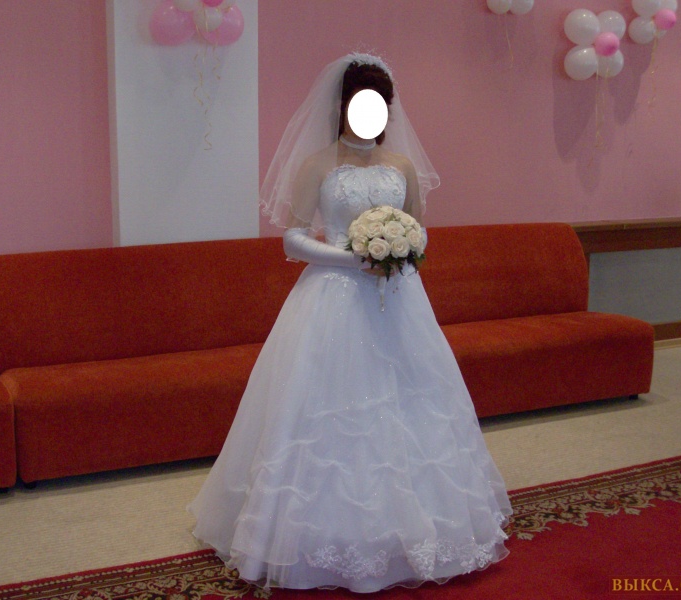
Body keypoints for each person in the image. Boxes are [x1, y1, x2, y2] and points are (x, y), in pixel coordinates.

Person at [189, 52, 511, 593]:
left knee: (413, 404)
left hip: (398, 298)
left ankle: (418, 529)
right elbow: (293, 240)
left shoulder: (402, 166)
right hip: (332, 298)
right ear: (341, 107)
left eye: (380, 105)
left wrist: (402, 248)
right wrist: (352, 257)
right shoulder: (317, 164)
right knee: (326, 412)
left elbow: (420, 230)